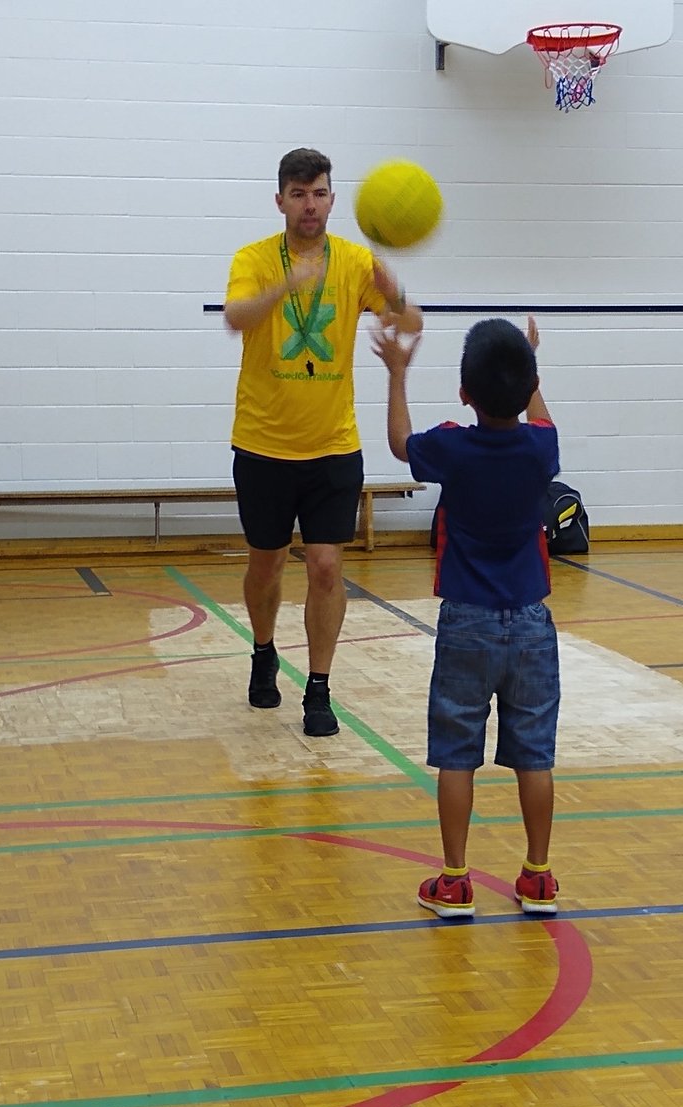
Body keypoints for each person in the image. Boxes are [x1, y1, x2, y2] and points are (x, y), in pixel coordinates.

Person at [224, 148, 423, 737]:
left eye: (318, 194)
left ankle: (318, 687)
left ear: (332, 200)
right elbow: (236, 316)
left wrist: (396, 293)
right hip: (262, 444)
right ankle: (264, 650)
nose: (309, 205)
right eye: (298, 194)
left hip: (334, 445)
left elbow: (410, 323)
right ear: (280, 201)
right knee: (265, 564)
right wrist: (286, 285)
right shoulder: (255, 259)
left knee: (327, 566)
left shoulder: (355, 261)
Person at [371, 316, 561, 918]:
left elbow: (401, 444)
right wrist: (530, 366)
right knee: (535, 754)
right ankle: (538, 876)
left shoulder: (452, 446)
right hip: (531, 623)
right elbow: (541, 418)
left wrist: (397, 373)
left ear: (463, 394)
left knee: (457, 753)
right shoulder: (541, 448)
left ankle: (454, 881)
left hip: (466, 623)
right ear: (528, 385)